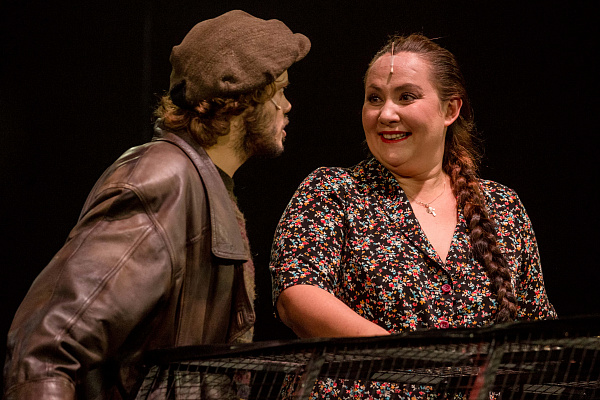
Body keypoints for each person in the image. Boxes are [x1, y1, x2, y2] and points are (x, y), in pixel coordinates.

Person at [3, 10, 310, 400]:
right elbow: (45, 352)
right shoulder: (163, 180)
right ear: (239, 100)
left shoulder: (205, 183)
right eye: (279, 91)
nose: (287, 105)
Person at [270, 34, 555, 397]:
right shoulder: (333, 191)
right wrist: (415, 362)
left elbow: (536, 329)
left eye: (406, 97)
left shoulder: (502, 206)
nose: (386, 114)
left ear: (450, 110)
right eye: (375, 98)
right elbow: (298, 296)